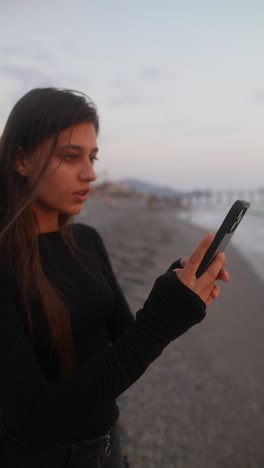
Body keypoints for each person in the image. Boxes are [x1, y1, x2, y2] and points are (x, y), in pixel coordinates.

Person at [0, 87, 229, 468]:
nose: (90, 173)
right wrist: (159, 323)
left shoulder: (86, 240)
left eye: (92, 157)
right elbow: (33, 418)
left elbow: (126, 341)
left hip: (109, 449)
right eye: (71, 157)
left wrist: (172, 293)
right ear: (21, 161)